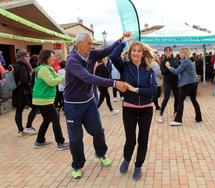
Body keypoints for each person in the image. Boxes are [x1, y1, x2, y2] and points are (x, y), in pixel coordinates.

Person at [64, 32, 129, 179]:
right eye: (89, 43)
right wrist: (114, 83)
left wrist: (120, 39)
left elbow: (107, 51)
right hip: (73, 105)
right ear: (78, 43)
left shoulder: (91, 55)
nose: (91, 46)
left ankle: (100, 153)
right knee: (76, 138)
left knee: (98, 131)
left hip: (88, 102)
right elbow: (88, 78)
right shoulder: (72, 60)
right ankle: (77, 165)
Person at [111, 39, 157, 181]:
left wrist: (135, 89)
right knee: (130, 139)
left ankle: (138, 166)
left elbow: (153, 91)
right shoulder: (124, 66)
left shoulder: (149, 69)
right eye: (133, 50)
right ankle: (126, 159)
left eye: (138, 51)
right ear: (130, 53)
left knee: (143, 139)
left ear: (143, 54)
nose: (136, 53)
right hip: (129, 108)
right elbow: (113, 56)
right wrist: (123, 42)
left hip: (146, 109)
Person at [32, 49, 69, 150]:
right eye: (52, 57)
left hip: (44, 99)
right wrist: (64, 78)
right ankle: (60, 142)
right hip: (43, 99)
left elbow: (58, 78)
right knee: (55, 118)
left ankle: (39, 141)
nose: (54, 58)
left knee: (47, 120)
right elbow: (51, 82)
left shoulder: (49, 68)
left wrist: (65, 77)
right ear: (46, 58)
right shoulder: (43, 69)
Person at [165, 48, 202, 126]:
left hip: (187, 83)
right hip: (194, 82)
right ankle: (199, 118)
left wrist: (168, 67)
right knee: (193, 100)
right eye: (180, 53)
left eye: (182, 53)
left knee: (180, 100)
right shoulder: (191, 60)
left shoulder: (185, 61)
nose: (180, 54)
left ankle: (178, 120)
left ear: (185, 53)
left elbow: (177, 72)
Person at [12, 49, 37, 136]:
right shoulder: (23, 66)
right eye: (27, 56)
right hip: (23, 92)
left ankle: (21, 130)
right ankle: (28, 127)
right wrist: (30, 88)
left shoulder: (14, 65)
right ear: (23, 57)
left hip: (16, 91)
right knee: (35, 107)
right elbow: (24, 80)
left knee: (19, 111)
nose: (29, 57)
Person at [158, 47, 180, 123]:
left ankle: (175, 112)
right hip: (167, 82)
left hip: (176, 81)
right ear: (164, 52)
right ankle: (161, 115)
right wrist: (167, 67)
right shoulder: (163, 61)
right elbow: (163, 72)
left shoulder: (176, 60)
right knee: (166, 98)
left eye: (169, 51)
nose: (168, 52)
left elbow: (179, 70)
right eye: (166, 51)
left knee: (177, 97)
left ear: (171, 52)